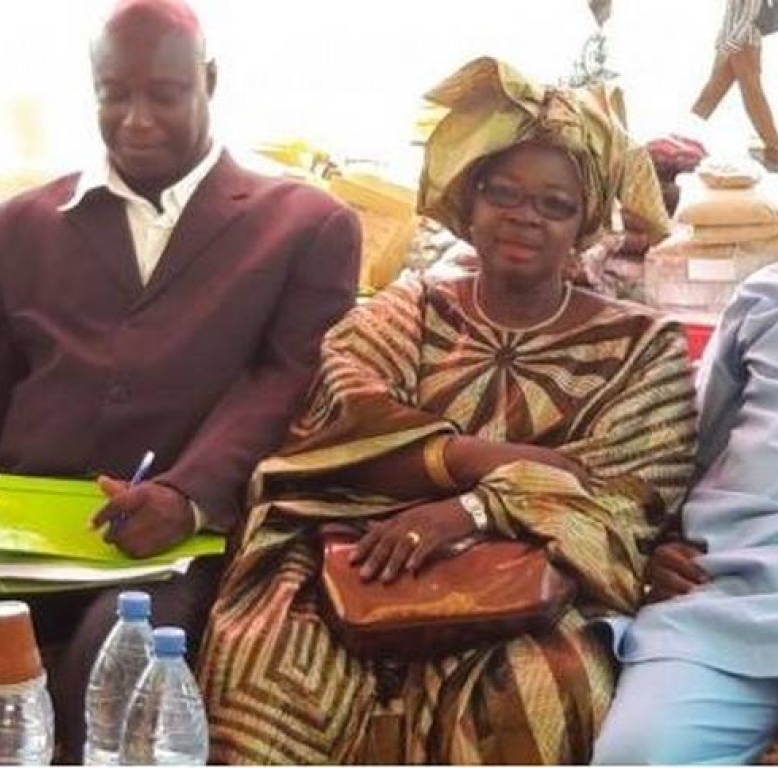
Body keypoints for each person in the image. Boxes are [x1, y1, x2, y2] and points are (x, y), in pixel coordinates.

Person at [0, 0, 359, 761]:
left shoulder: (305, 226)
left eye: (164, 95)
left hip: (170, 539)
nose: (136, 120)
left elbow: (284, 385)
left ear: (209, 81)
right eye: (114, 95)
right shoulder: (13, 227)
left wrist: (186, 496)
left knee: (117, 675)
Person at [199, 56, 697, 765]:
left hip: (545, 584)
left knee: (537, 691)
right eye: (503, 193)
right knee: (274, 666)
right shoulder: (404, 314)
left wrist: (468, 511)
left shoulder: (640, 349)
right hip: (364, 554)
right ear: (469, 200)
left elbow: (624, 494)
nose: (524, 216)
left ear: (585, 224)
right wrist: (497, 462)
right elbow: (345, 428)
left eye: (555, 205)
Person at [593, 264, 778, 764]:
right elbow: (687, 453)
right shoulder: (765, 299)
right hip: (731, 595)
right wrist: (658, 542)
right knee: (637, 755)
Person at [691, 0, 778, 170]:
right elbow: (731, 13)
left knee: (753, 99)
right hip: (731, 43)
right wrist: (721, 40)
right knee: (712, 93)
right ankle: (684, 138)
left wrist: (728, 48)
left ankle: (775, 147)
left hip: (744, 45)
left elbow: (748, 18)